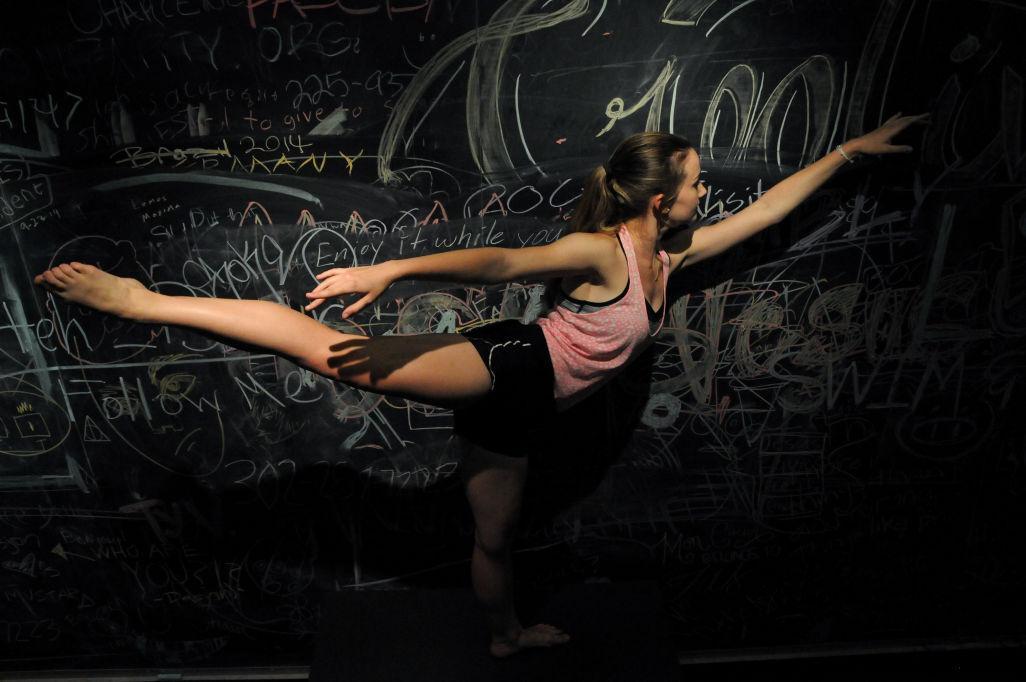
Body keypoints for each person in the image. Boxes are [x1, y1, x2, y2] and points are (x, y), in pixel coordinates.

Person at [34, 112, 927, 658]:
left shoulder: (675, 252)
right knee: (330, 351)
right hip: (511, 368)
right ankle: (145, 301)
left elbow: (768, 211)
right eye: (696, 183)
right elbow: (504, 260)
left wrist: (848, 151)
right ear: (661, 199)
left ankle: (505, 636)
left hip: (529, 419)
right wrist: (393, 269)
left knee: (493, 538)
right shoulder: (602, 249)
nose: (708, 192)